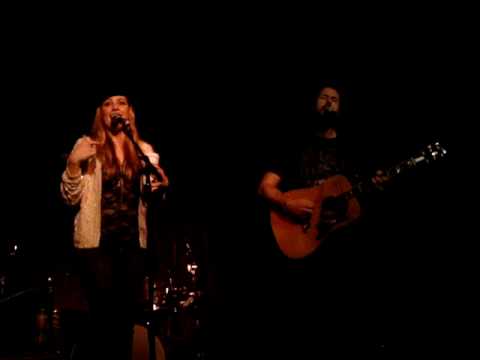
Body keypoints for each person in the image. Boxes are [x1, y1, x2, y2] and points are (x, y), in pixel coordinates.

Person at [256, 83, 387, 357]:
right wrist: (286, 203)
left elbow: (359, 200)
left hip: (343, 251)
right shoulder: (293, 146)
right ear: (314, 103)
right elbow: (265, 187)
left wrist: (374, 185)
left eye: (335, 99)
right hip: (304, 245)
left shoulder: (353, 149)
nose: (329, 102)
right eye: (323, 97)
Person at [60, 91, 169, 359]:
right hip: (96, 247)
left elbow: (151, 197)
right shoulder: (87, 146)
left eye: (121, 102)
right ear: (100, 113)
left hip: (132, 247)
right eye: (107, 103)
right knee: (102, 322)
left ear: (130, 111)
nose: (114, 108)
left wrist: (160, 187)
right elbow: (70, 197)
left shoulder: (144, 151)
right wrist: (74, 164)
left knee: (125, 324)